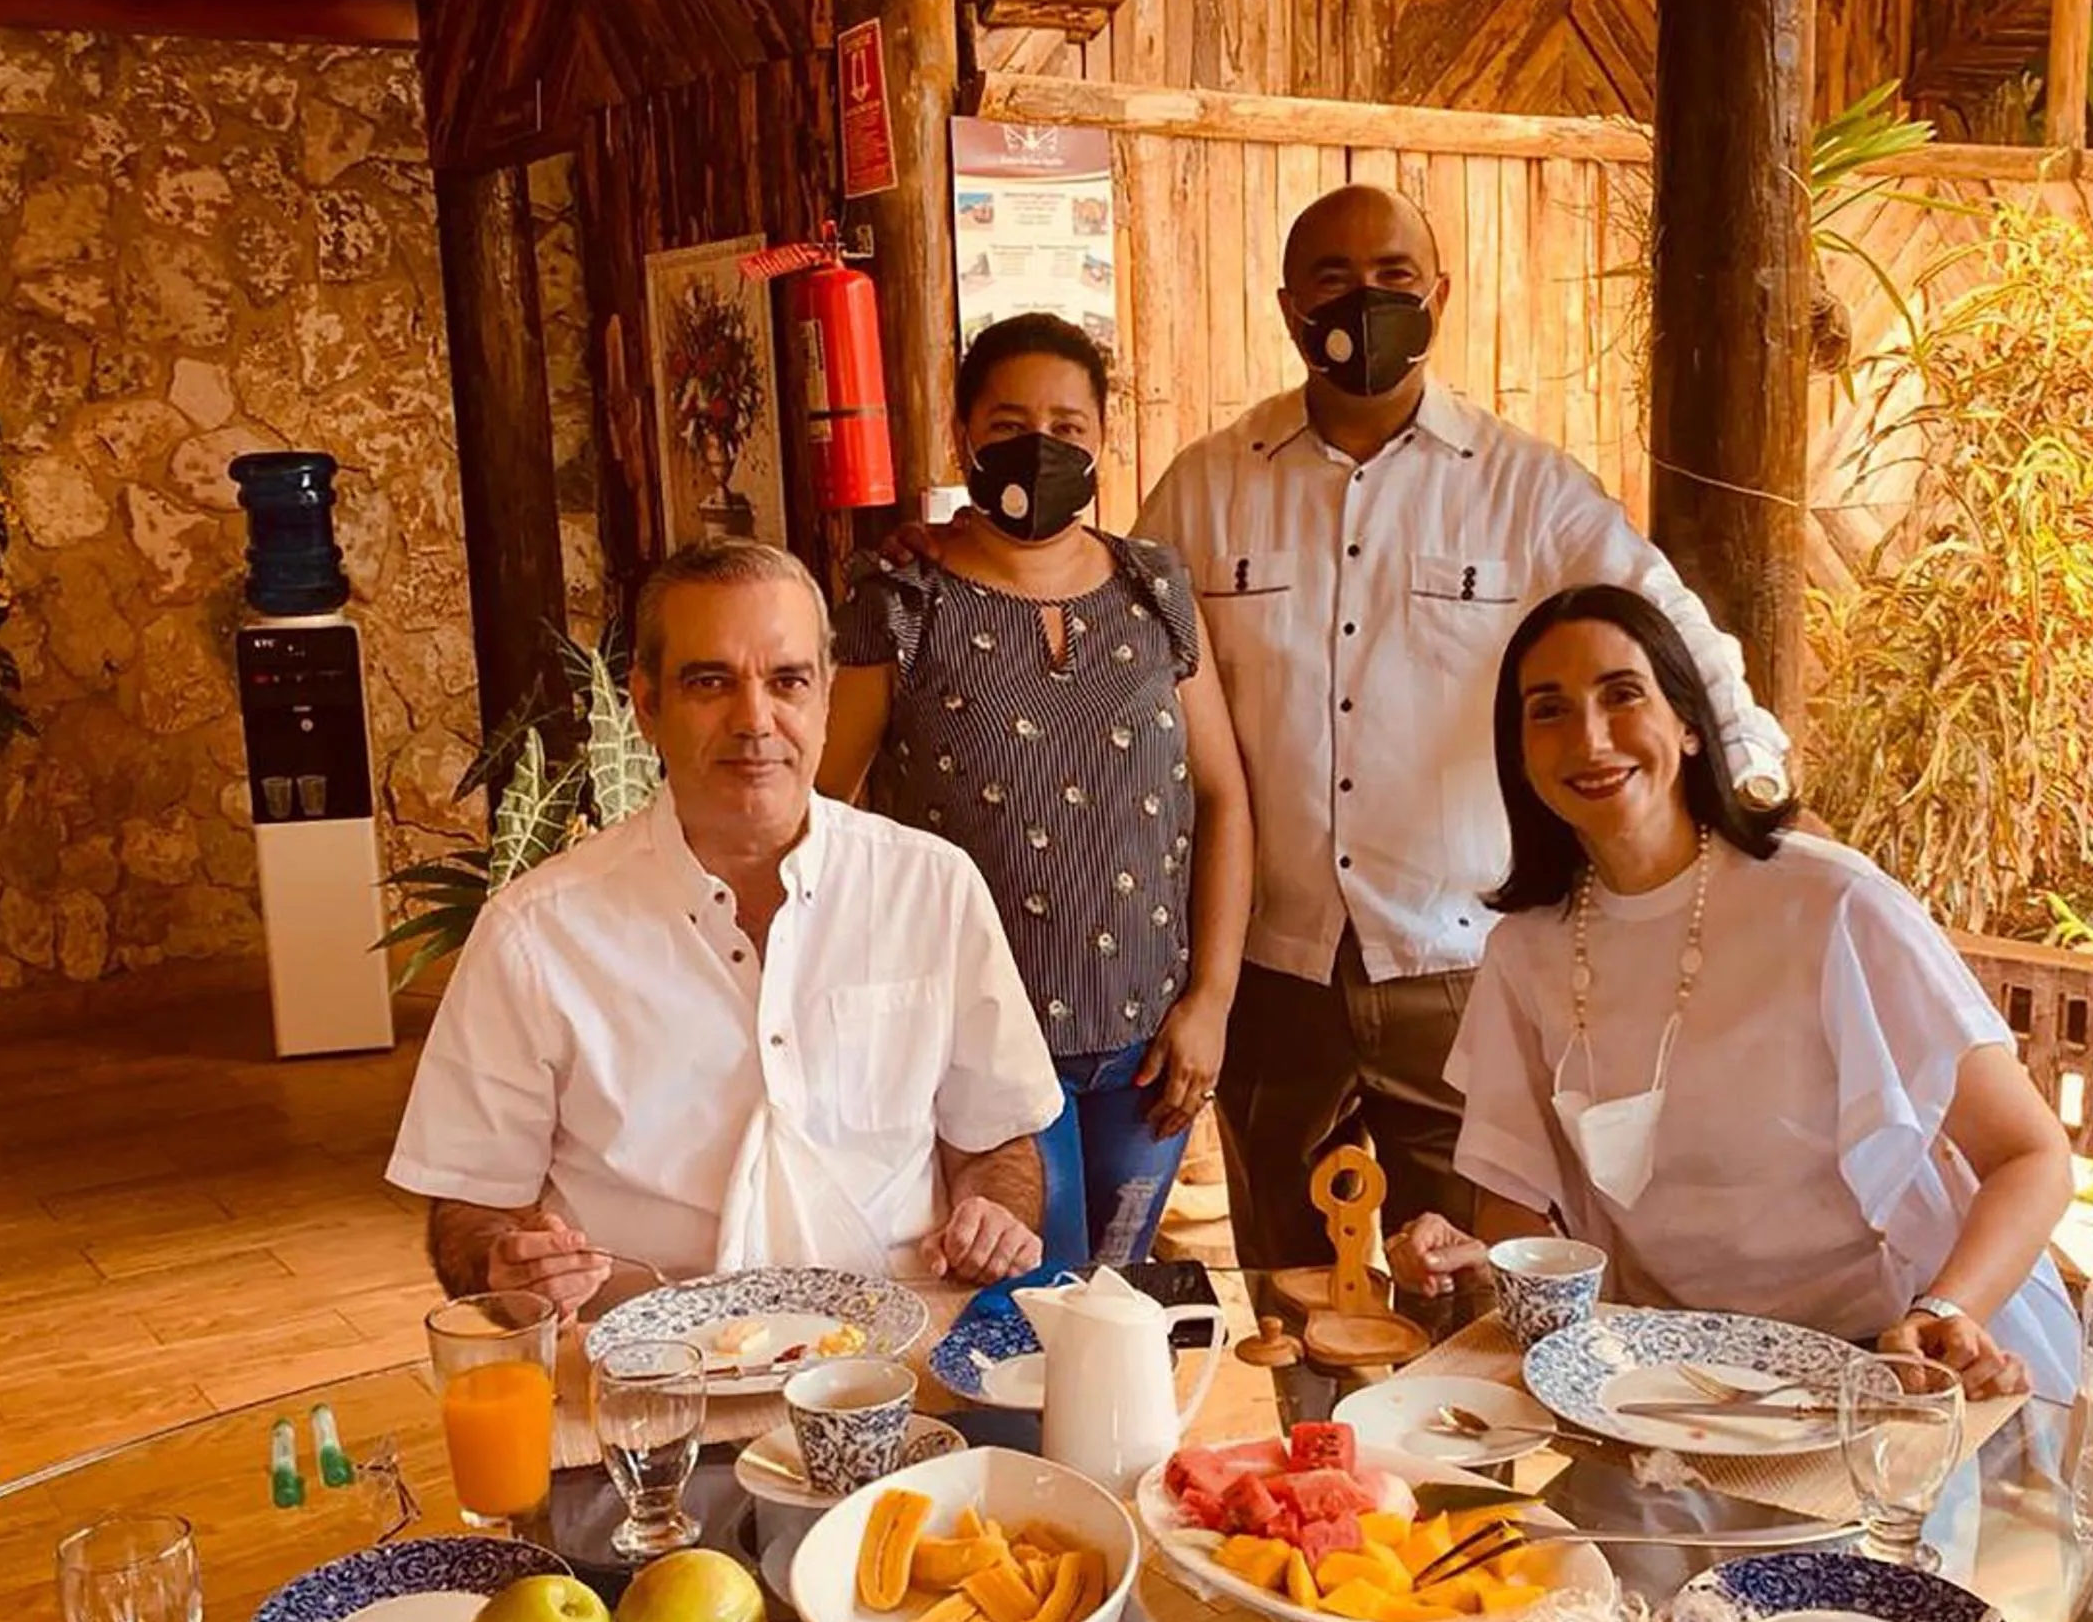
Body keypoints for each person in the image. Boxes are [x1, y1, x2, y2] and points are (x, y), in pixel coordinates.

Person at [1130, 183, 1794, 1275]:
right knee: (1290, 1278)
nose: (1365, 300)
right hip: (1271, 970)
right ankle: (1308, 1447)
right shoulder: (1205, 493)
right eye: (1334, 280)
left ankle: (1446, 1451)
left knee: (1473, 1273)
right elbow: (1121, 660)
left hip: (1457, 960)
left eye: (1394, 277)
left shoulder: (1524, 493)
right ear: (1289, 306)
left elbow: (1667, 636)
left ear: (1438, 295)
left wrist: (1757, 795)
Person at [1385, 586, 2081, 1399]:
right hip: (1663, 1385)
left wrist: (1947, 1309)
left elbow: (2032, 1155)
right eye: (1549, 710)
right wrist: (1486, 1258)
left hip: (1888, 1361)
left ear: (1687, 723)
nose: (1591, 737)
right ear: (1521, 756)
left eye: (1622, 694)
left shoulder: (1831, 904)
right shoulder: (1524, 950)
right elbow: (1509, 1207)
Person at [387, 542, 1064, 1315]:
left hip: (893, 1369)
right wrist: (506, 1264)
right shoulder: (536, 934)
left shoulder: (931, 889)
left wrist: (993, 1212)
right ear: (645, 704)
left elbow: (996, 1141)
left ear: (825, 697)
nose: (755, 719)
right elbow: (471, 1203)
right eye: (710, 682)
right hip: (649, 1388)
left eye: (787, 682)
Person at [823, 314, 1253, 1273]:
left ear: (1102, 440)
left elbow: (1221, 797)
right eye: (1010, 421)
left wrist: (1212, 1000)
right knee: (1024, 1312)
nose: (1041, 448)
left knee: (1111, 1302)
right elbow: (824, 815)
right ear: (964, 436)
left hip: (1145, 1049)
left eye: (1068, 427)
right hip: (979, 1053)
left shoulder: (1155, 590)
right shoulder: (901, 603)